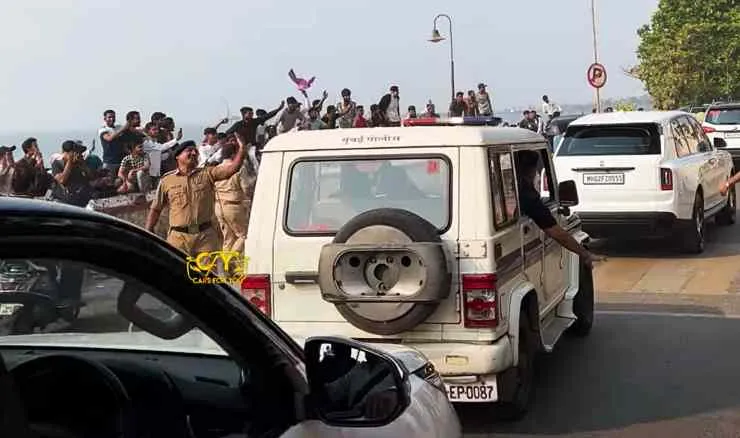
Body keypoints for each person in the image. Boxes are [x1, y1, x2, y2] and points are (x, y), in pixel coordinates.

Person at [145, 136, 246, 256]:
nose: (194, 153)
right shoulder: (167, 180)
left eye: (195, 151)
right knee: (177, 272)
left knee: (206, 274)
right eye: (189, 150)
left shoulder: (207, 173)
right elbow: (156, 208)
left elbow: (232, 169)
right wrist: (148, 231)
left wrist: (242, 149)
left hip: (205, 237)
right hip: (178, 239)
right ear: (178, 156)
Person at [515, 150, 604, 268]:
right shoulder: (528, 197)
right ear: (532, 171)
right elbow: (556, 232)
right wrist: (585, 254)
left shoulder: (509, 191)